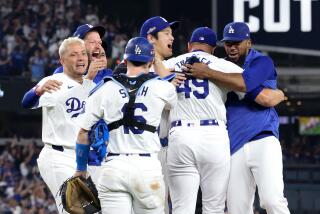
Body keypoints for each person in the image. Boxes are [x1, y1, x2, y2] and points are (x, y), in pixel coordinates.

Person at [186, 22, 289, 214]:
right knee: (237, 209)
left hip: (263, 139)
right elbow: (263, 97)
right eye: (228, 43)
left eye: (237, 43)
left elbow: (245, 84)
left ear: (248, 43)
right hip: (232, 146)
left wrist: (209, 74)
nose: (232, 47)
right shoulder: (220, 65)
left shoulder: (261, 61)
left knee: (273, 201)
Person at [74, 37, 177, 214]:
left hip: (114, 167)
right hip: (147, 167)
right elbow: (171, 96)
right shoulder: (163, 88)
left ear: (126, 60)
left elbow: (83, 133)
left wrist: (81, 170)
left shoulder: (105, 88)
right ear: (151, 61)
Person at [162, 27, 243, 214]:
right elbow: (247, 83)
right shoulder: (219, 64)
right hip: (213, 134)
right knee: (214, 208)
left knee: (182, 208)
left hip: (180, 135)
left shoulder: (171, 64)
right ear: (213, 49)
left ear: (190, 46)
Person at [28, 37, 97, 213]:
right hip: (59, 156)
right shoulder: (54, 82)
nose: (81, 58)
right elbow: (26, 102)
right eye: (74, 55)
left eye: (83, 54)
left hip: (82, 158)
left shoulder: (92, 86)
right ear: (62, 60)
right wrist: (37, 91)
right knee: (72, 210)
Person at [22, 24, 110, 109]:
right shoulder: (63, 73)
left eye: (100, 42)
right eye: (92, 42)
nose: (98, 46)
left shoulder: (107, 74)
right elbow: (26, 103)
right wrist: (37, 91)